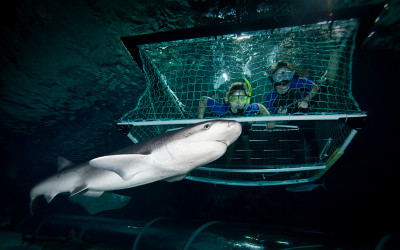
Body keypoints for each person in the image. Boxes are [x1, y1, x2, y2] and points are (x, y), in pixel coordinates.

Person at [198, 81, 270, 118]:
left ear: (246, 100)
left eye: (242, 98)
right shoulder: (221, 109)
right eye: (234, 98)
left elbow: (260, 107)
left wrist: (270, 120)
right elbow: (203, 99)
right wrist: (200, 120)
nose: (238, 102)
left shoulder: (248, 108)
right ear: (229, 99)